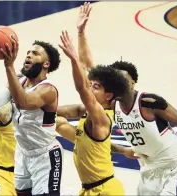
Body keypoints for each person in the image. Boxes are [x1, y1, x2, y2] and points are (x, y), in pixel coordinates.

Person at [58, 2, 177, 196]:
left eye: (124, 78)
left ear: (133, 82)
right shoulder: (113, 103)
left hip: (173, 166)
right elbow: (89, 68)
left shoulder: (149, 102)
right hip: (147, 169)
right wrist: (80, 33)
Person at [0, 39, 63, 195]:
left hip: (44, 156)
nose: (28, 55)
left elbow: (24, 102)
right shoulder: (19, 81)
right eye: (28, 52)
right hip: (22, 155)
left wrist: (9, 66)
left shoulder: (48, 90)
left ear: (46, 64)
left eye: (35, 53)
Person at [58, 30, 126, 195]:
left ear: (108, 96)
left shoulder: (101, 117)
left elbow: (82, 88)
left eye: (96, 87)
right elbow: (87, 66)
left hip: (106, 190)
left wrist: (73, 60)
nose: (91, 87)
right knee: (56, 121)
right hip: (89, 189)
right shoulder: (91, 110)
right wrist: (81, 34)